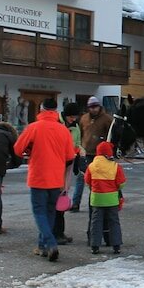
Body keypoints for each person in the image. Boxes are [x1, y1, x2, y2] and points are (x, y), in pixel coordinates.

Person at [14, 98, 75, 262]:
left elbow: (18, 149)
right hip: (56, 178)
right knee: (49, 212)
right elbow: (70, 155)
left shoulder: (33, 127)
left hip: (39, 177)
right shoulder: (63, 130)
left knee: (39, 212)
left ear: (41, 109)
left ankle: (50, 243)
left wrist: (30, 150)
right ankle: (42, 246)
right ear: (55, 111)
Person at [85, 141, 126, 255]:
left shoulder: (92, 166)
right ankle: (116, 245)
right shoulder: (115, 167)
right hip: (112, 200)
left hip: (97, 200)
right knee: (114, 222)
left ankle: (95, 246)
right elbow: (121, 183)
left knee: (96, 223)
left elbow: (87, 181)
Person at [74, 96, 113, 211]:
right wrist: (79, 148)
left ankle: (99, 201)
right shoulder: (84, 118)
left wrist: (109, 149)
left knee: (101, 179)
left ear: (99, 106)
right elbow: (80, 134)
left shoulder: (107, 119)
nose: (94, 109)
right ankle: (76, 203)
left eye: (95, 106)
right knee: (81, 178)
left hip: (100, 155)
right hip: (85, 153)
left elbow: (112, 135)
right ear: (88, 108)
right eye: (91, 107)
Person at [52, 102, 83, 245]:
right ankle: (54, 233)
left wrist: (77, 152)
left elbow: (76, 143)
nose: (73, 119)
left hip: (68, 165)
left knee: (62, 198)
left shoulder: (76, 127)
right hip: (55, 166)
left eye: (75, 117)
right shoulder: (56, 123)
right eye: (71, 117)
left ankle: (60, 232)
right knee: (55, 200)